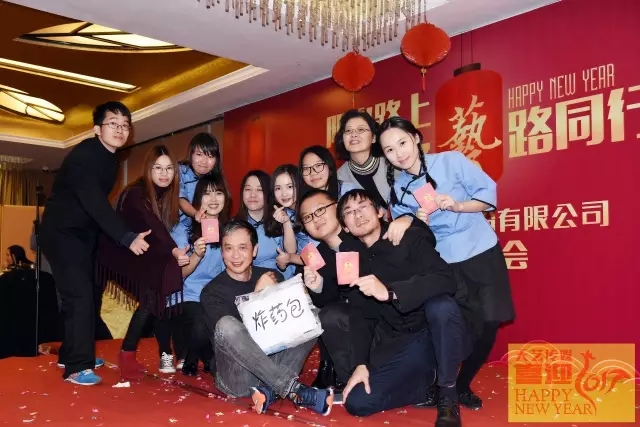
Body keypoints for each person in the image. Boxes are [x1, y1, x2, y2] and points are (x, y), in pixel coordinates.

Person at [379, 116, 516, 409]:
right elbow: (410, 239)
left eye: (402, 143)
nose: (399, 154)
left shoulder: (451, 161)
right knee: (449, 326)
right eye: (389, 150)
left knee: (488, 323)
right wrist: (416, 223)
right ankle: (443, 386)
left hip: (480, 250)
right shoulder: (398, 188)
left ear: (416, 138)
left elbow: (487, 195)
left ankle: (462, 384)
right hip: (443, 262)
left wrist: (458, 205)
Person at [40, 101, 151, 386]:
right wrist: (126, 237)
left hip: (82, 234)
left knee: (89, 291)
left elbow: (96, 208)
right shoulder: (86, 154)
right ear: (97, 129)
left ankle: (72, 352)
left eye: (125, 125)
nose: (120, 130)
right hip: (62, 232)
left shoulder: (109, 158)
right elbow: (92, 200)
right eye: (113, 123)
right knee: (79, 295)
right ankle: (77, 367)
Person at [334, 189, 466, 426]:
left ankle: (448, 395)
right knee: (358, 402)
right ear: (345, 226)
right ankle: (428, 383)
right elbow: (361, 314)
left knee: (441, 306)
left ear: (380, 211)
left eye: (363, 207)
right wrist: (360, 364)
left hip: (432, 331)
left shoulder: (406, 235)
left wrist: (391, 292)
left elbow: (445, 278)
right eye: (349, 212)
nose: (358, 215)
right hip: (398, 343)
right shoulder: (351, 258)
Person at [199, 219, 334, 416]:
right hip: (237, 378)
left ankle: (270, 391)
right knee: (227, 324)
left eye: (242, 247)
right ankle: (292, 389)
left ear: (254, 250)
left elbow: (284, 328)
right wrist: (256, 296)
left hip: (272, 364)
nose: (235, 255)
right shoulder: (211, 292)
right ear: (222, 252)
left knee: (312, 313)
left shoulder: (271, 276)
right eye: (228, 248)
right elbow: (236, 342)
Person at [97, 145, 186, 380]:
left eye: (169, 168)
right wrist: (174, 249)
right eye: (158, 168)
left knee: (154, 297)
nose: (164, 173)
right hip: (111, 254)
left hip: (134, 253)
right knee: (151, 298)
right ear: (148, 169)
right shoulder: (136, 193)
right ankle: (124, 355)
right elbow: (151, 225)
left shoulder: (162, 195)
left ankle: (132, 353)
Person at [171, 172, 231, 376]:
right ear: (198, 199)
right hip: (191, 295)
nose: (213, 199)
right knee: (200, 321)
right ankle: (191, 358)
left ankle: (203, 355)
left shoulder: (231, 231)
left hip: (218, 295)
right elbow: (179, 275)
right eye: (207, 193)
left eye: (218, 193)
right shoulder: (185, 231)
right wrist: (196, 255)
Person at [235, 170, 295, 279]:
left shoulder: (278, 218)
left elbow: (291, 252)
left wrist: (286, 223)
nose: (252, 195)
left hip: (284, 280)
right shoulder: (235, 226)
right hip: (254, 282)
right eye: (248, 189)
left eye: (259, 189)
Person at [335, 110, 392, 212]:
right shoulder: (339, 177)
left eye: (360, 129)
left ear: (374, 137)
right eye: (348, 131)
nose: (353, 134)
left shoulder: (391, 162)